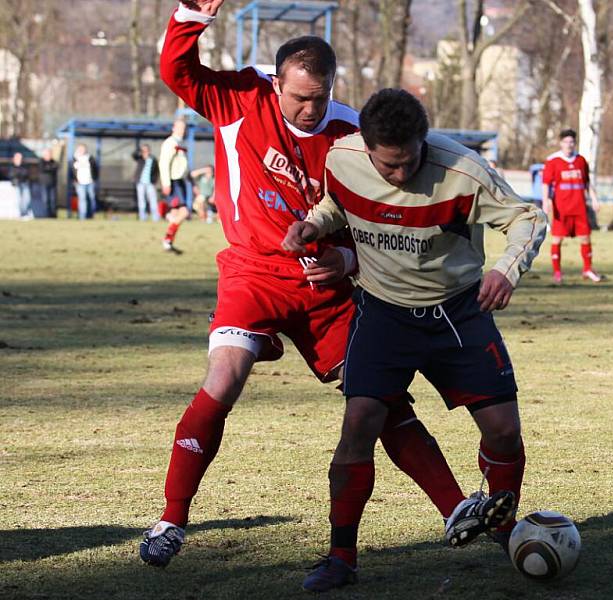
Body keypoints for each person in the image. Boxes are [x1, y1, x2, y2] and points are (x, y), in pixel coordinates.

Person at [139, 0, 467, 571]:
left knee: (380, 399)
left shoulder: (350, 134)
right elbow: (176, 72)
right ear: (277, 82)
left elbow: (386, 218)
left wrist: (347, 258)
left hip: (328, 292)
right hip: (254, 274)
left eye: (321, 95)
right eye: (299, 97)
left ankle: (457, 508)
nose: (310, 108)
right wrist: (192, 14)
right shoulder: (241, 99)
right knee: (223, 379)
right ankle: (172, 518)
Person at [283, 88, 547, 592]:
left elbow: (526, 218)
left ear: (423, 141)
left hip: (458, 312)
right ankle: (341, 556)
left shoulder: (462, 171)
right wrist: (311, 224)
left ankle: (504, 523)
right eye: (389, 168)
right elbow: (333, 206)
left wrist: (506, 271)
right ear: (367, 146)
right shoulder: (342, 157)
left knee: (504, 431)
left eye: (409, 163)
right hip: (383, 314)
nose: (401, 176)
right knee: (358, 426)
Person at [542, 129, 602, 284]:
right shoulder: (553, 161)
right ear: (561, 143)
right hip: (561, 208)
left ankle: (587, 269)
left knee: (585, 237)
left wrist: (594, 199)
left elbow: (587, 183)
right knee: (557, 239)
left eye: (571, 142)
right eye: (566, 142)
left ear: (575, 143)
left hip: (579, 207)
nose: (569, 145)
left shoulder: (581, 161)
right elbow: (546, 184)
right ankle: (557, 273)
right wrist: (545, 202)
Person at [159, 120, 192, 249]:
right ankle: (167, 238)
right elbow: (164, 163)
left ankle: (168, 242)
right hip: (173, 182)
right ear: (174, 128)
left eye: (184, 128)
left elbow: (182, 165)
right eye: (180, 128)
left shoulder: (180, 143)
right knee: (184, 212)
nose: (182, 130)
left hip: (180, 181)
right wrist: (166, 183)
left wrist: (191, 181)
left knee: (175, 213)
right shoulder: (170, 143)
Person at [133, 144, 160, 221]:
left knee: (153, 200)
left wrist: (154, 181)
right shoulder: (140, 158)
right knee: (141, 200)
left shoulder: (153, 159)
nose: (144, 151)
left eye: (146, 150)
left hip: (150, 183)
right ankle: (142, 217)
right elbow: (133, 154)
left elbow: (156, 171)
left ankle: (155, 217)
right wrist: (139, 150)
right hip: (140, 183)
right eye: (143, 150)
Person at [71, 144, 98, 220]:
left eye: (83, 149)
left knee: (91, 198)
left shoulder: (90, 158)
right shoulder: (75, 159)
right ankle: (82, 216)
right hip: (80, 183)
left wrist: (94, 178)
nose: (82, 150)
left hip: (90, 182)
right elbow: (72, 171)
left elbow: (95, 169)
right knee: (82, 199)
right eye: (80, 149)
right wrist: (75, 180)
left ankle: (90, 215)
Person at [8, 152, 32, 219]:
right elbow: (11, 175)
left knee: (27, 199)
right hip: (17, 185)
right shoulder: (12, 165)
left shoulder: (25, 165)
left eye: (20, 158)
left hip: (25, 183)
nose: (19, 159)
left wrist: (19, 172)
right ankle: (22, 214)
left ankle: (25, 213)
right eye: (17, 157)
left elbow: (25, 173)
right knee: (19, 200)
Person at [38, 148, 59, 218]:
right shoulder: (41, 161)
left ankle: (53, 215)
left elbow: (56, 168)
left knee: (53, 200)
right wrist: (50, 168)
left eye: (50, 154)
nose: (49, 155)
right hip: (44, 184)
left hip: (53, 183)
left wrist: (50, 168)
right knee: (46, 200)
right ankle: (46, 215)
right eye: (47, 154)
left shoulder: (53, 161)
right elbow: (43, 169)